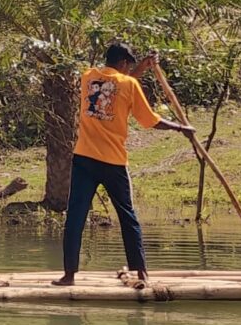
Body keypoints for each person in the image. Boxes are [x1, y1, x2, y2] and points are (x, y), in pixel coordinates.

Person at [56, 42, 194, 287]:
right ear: (122, 64)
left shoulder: (88, 77)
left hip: (84, 159)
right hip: (113, 163)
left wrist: (140, 68)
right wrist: (180, 128)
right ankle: (141, 273)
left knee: (75, 217)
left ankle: (69, 275)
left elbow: (115, 86)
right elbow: (149, 120)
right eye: (128, 66)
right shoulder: (129, 85)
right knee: (128, 217)